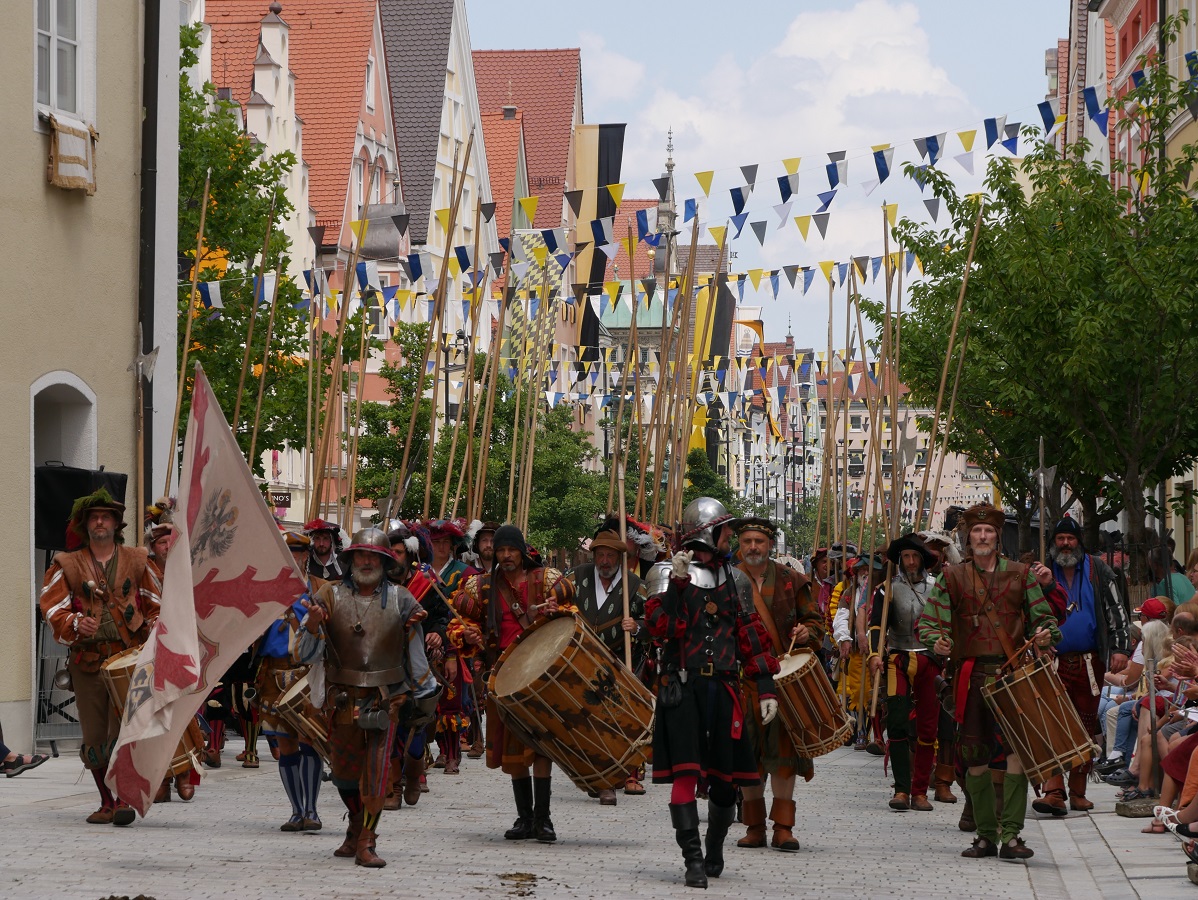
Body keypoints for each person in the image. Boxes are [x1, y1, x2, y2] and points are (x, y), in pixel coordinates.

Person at [645, 498, 780, 889]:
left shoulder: (733, 578)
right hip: (683, 689)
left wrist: (766, 686)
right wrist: (678, 585)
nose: (731, 538)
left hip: (723, 688)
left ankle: (714, 846)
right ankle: (692, 861)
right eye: (726, 531)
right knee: (685, 776)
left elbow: (750, 633)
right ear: (708, 532)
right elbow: (662, 629)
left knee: (726, 782)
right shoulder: (665, 573)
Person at [916, 503, 1061, 861]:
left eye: (989, 532)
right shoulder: (952, 577)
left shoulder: (1021, 574)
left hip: (1013, 677)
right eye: (977, 532)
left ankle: (1011, 836)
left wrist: (1045, 635)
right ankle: (984, 836)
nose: (982, 537)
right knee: (975, 758)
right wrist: (938, 639)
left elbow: (1044, 619)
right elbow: (929, 622)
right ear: (968, 538)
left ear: (998, 538)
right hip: (970, 676)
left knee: (1016, 757)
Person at [302, 527, 439, 868]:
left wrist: (424, 694)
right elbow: (304, 655)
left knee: (377, 774)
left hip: (385, 699)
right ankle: (354, 824)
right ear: (350, 560)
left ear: (384, 561)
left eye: (372, 556)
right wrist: (313, 627)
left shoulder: (402, 599)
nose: (366, 561)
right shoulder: (328, 596)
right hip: (342, 699)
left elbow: (416, 654)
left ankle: (367, 839)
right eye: (360, 555)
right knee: (345, 775)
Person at [38, 489, 160, 826]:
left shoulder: (138, 559)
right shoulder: (67, 563)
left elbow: (156, 604)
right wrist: (77, 623)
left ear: (117, 523)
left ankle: (122, 799)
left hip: (128, 660)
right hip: (88, 663)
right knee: (93, 737)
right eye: (94, 517)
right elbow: (51, 608)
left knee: (122, 733)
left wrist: (151, 630)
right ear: (85, 524)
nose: (100, 521)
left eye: (106, 516)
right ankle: (106, 801)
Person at [449, 524, 576, 844]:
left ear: (521, 551)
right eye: (501, 550)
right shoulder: (481, 587)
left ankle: (544, 820)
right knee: (513, 750)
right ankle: (525, 818)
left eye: (511, 550)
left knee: (541, 747)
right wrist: (468, 634)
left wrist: (554, 610)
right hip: (502, 677)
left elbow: (570, 612)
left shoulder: (544, 581)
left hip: (539, 676)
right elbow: (460, 621)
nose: (505, 555)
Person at [732, 516, 822, 853]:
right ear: (739, 545)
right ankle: (754, 827)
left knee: (783, 756)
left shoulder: (792, 580)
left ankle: (783, 827)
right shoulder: (727, 580)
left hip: (781, 681)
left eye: (759, 541)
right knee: (748, 758)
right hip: (742, 682)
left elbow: (815, 623)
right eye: (747, 541)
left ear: (771, 545)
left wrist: (806, 632)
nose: (753, 547)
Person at [1031, 516, 1131, 815]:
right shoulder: (1042, 573)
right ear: (1053, 543)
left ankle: (1078, 791)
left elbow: (1117, 610)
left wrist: (1121, 648)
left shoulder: (1098, 569)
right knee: (1054, 723)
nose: (1065, 544)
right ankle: (1054, 791)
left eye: (1070, 538)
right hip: (1053, 661)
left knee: (1086, 724)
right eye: (1060, 539)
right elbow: (1030, 613)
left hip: (1091, 661)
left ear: (1079, 541)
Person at [564, 527, 649, 803]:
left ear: (619, 557)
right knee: (592, 722)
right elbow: (558, 604)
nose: (605, 561)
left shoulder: (635, 585)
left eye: (610, 555)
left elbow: (654, 623)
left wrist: (636, 627)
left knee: (624, 719)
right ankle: (602, 779)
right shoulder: (577, 578)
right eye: (600, 554)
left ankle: (631, 774)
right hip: (583, 662)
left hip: (621, 663)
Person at [869, 533, 946, 812]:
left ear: (923, 559)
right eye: (905, 557)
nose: (910, 562)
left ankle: (920, 791)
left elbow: (946, 623)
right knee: (898, 722)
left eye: (914, 556)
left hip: (929, 661)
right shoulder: (887, 589)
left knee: (928, 728)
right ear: (899, 561)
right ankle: (901, 789)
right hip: (897, 660)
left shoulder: (937, 588)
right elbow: (877, 625)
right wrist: (874, 654)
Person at [255, 530, 325, 832]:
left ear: (305, 557)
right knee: (286, 747)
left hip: (306, 674)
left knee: (310, 742)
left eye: (296, 555)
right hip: (272, 675)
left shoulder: (321, 590)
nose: (292, 560)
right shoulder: (263, 592)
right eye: (285, 555)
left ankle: (312, 810)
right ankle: (296, 811)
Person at [304, 519, 344, 584]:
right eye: (317, 538)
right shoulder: (305, 564)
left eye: (325, 538)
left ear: (332, 541)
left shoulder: (343, 564)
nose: (321, 544)